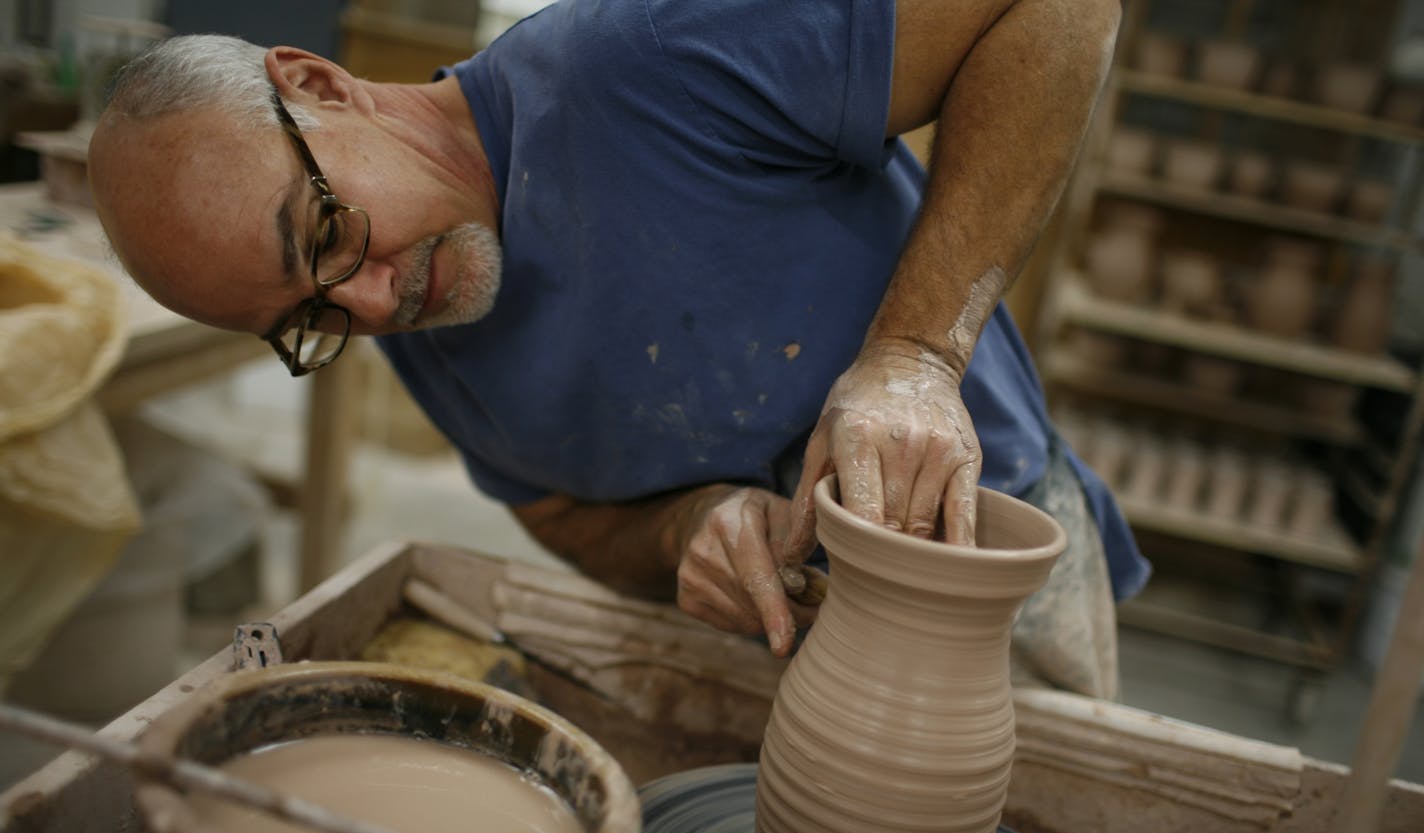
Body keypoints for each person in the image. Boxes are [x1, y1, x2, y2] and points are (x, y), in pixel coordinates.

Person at [87, 0, 1148, 698]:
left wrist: (915, 351)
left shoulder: (645, 61)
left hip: (979, 586)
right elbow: (559, 515)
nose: (366, 302)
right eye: (306, 321)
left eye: (322, 231)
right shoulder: (410, 319)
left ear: (319, 85)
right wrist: (685, 527)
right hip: (767, 664)